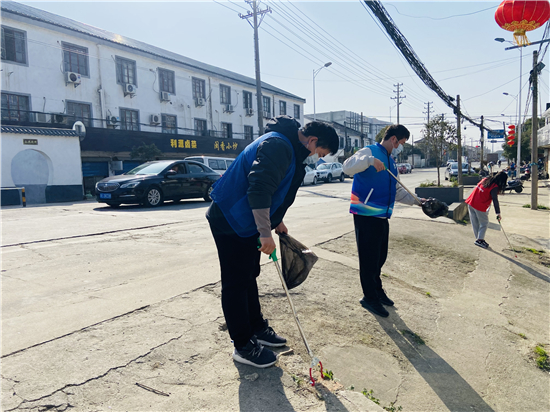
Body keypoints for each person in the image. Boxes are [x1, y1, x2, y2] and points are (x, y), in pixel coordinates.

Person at [206, 115, 339, 368]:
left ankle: (256, 328)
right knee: (236, 282)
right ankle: (243, 346)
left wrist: (275, 221)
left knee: (249, 275)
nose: (319, 158)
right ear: (312, 141)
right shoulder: (278, 145)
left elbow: (277, 188)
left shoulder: (288, 147)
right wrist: (265, 232)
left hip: (246, 220)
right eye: (321, 152)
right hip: (230, 219)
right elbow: (259, 188)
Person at [342, 125, 423, 318]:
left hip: (382, 216)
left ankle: (377, 290)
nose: (400, 147)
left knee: (380, 257)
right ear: (394, 139)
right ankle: (369, 298)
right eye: (401, 143)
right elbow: (347, 168)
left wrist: (419, 202)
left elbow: (397, 191)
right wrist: (369, 161)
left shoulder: (391, 161)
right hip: (365, 214)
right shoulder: (370, 151)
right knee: (369, 259)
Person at [464, 171, 508, 249]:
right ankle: (479, 240)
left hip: (471, 202)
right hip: (479, 205)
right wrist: (498, 213)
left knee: (475, 223)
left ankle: (479, 239)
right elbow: (495, 200)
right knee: (484, 223)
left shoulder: (486, 179)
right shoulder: (494, 187)